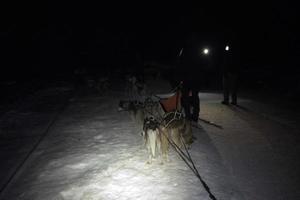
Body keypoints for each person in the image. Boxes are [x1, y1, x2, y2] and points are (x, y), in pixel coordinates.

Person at [176, 33, 201, 122]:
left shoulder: (190, 50)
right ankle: (191, 115)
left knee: (191, 97)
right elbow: (180, 64)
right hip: (190, 78)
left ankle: (191, 116)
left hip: (191, 78)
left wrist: (180, 78)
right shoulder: (187, 50)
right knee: (191, 98)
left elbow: (180, 65)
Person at [221, 39, 240, 105]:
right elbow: (224, 63)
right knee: (227, 87)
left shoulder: (233, 54)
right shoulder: (226, 55)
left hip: (232, 72)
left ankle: (232, 100)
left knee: (232, 87)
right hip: (228, 72)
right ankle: (227, 100)